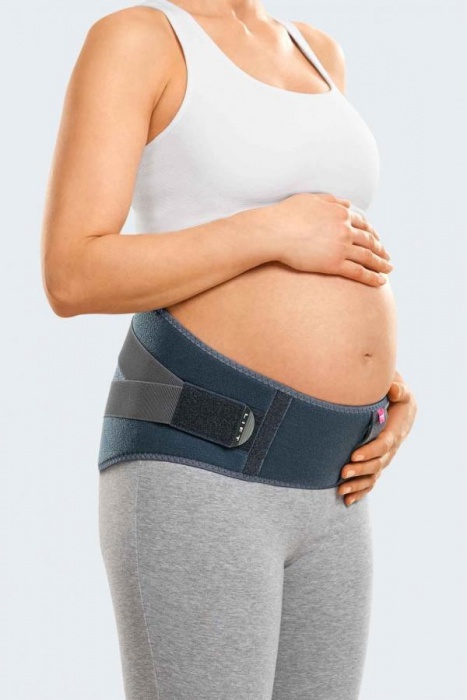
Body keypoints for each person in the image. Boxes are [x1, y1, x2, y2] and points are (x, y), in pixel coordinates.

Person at [41, 1, 418, 698]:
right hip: (202, 461)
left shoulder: (317, 51)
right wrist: (267, 231)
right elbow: (72, 274)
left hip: (334, 479)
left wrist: (380, 385)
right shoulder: (140, 38)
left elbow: (326, 253)